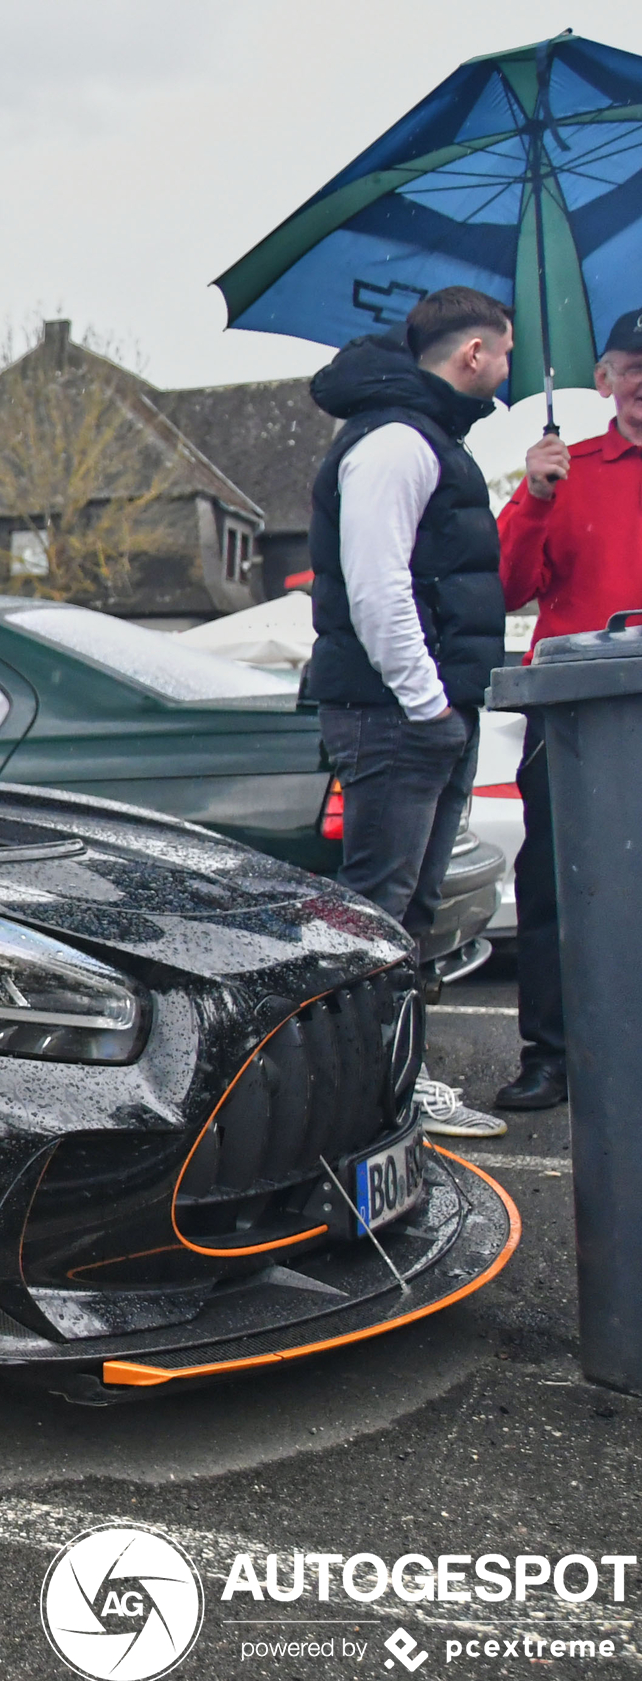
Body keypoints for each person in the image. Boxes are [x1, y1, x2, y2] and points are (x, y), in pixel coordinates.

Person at [307, 286, 511, 1137]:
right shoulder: (397, 443)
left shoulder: (420, 436)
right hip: (399, 715)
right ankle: (357, 1097)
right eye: (501, 354)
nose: (504, 371)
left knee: (406, 917)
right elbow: (377, 587)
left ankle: (388, 1080)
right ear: (472, 355)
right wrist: (429, 706)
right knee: (376, 919)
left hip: (422, 712)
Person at [491, 307, 642, 1112]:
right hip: (577, 720)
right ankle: (551, 1054)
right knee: (553, 885)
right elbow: (509, 584)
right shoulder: (567, 471)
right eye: (631, 366)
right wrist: (536, 496)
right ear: (606, 380)